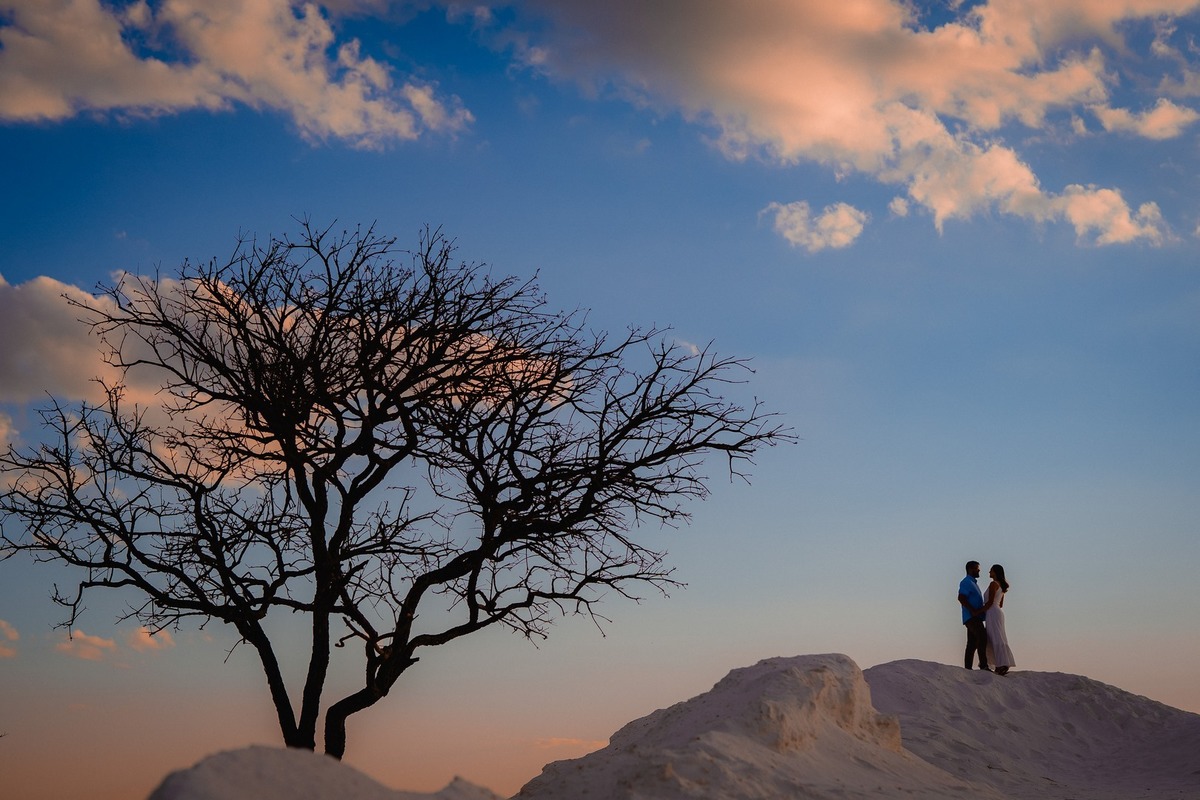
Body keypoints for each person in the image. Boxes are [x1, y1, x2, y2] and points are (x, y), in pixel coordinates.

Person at [981, 564, 1016, 675]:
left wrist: (978, 611)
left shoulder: (993, 584)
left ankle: (1001, 664)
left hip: (992, 612)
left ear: (995, 572)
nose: (989, 572)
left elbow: (990, 602)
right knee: (998, 636)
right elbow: (1000, 604)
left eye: (991, 570)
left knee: (995, 637)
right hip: (997, 612)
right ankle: (1000, 663)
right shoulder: (1001, 586)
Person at [958, 560, 990, 671]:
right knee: (982, 637)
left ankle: (968, 668)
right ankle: (983, 665)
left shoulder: (973, 583)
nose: (979, 571)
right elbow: (961, 598)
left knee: (972, 643)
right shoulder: (966, 582)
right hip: (972, 617)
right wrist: (972, 611)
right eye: (977, 569)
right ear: (971, 569)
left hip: (975, 617)